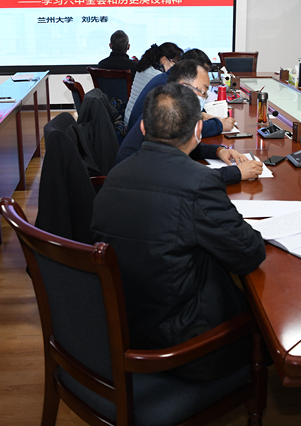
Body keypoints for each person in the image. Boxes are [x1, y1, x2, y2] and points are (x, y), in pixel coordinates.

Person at [91, 82, 266, 382]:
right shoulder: (199, 183)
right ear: (198, 130)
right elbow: (249, 254)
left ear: (143, 127)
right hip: (181, 348)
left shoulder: (114, 175)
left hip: (121, 326)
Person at [116, 59, 264, 184]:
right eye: (202, 92)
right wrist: (236, 173)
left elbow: (184, 146)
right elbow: (186, 179)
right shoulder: (166, 113)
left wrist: (218, 151)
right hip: (136, 185)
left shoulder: (172, 105)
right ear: (183, 86)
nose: (203, 98)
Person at [127, 48, 236, 135]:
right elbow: (185, 129)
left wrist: (202, 114)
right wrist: (220, 125)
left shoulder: (171, 77)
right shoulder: (167, 86)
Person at [123, 41, 182, 125]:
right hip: (137, 123)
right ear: (164, 60)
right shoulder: (159, 77)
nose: (175, 67)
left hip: (128, 118)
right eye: (174, 62)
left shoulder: (145, 68)